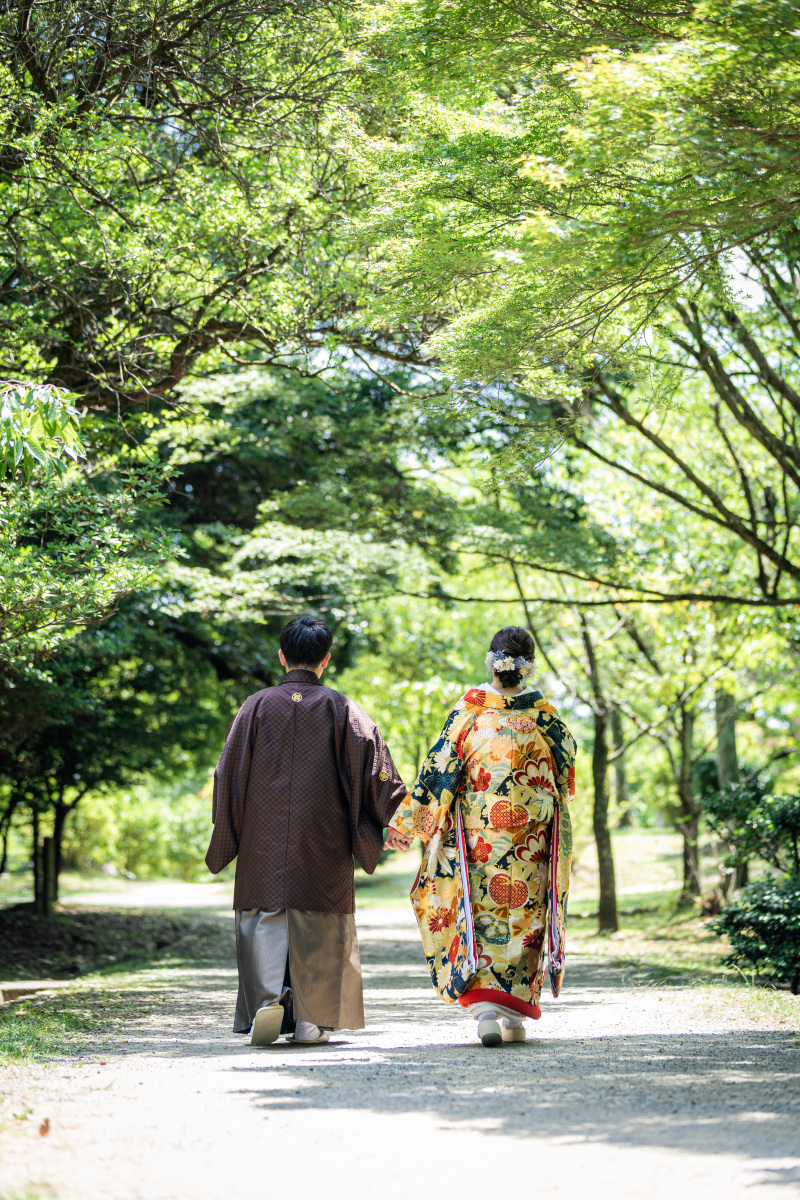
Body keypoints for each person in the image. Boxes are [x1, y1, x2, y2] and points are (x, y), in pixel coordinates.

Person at [206, 614, 407, 1046]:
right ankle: (310, 1021)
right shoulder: (344, 709)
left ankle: (266, 1001)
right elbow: (376, 772)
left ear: (282, 657)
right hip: (324, 840)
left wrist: (231, 831)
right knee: (319, 920)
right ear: (326, 660)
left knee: (265, 915)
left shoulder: (254, 707)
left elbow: (227, 774)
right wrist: (391, 822)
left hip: (264, 838)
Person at [384, 626, 576, 1047]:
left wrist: (403, 826)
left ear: (492, 663)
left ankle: (486, 1011)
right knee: (526, 917)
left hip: (480, 842)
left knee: (482, 913)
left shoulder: (469, 714)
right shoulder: (546, 715)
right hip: (533, 843)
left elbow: (437, 775)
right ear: (527, 668)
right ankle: (514, 1015)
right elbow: (567, 772)